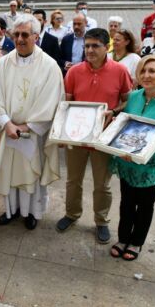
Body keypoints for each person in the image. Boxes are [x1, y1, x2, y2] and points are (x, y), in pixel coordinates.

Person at [0, 14, 64, 229]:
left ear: (36, 36)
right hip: (8, 130)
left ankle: (32, 212)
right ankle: (11, 210)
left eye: (25, 34)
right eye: (16, 34)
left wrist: (27, 127)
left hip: (33, 133)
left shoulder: (49, 66)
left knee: (30, 173)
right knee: (9, 170)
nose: (20, 39)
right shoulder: (4, 63)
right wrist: (7, 123)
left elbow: (51, 102)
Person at [56, 28, 133, 244]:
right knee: (73, 180)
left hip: (104, 138)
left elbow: (128, 100)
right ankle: (72, 214)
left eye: (95, 46)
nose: (89, 50)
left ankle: (101, 221)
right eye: (86, 46)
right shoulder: (74, 72)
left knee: (102, 184)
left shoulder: (120, 71)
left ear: (106, 46)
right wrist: (62, 132)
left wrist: (115, 112)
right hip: (76, 136)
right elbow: (67, 104)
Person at [109, 56, 155, 260]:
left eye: (152, 71)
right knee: (126, 203)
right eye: (143, 71)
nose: (146, 75)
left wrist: (137, 153)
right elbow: (126, 126)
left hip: (152, 166)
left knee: (144, 206)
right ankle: (123, 238)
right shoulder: (134, 97)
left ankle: (136, 243)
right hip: (128, 162)